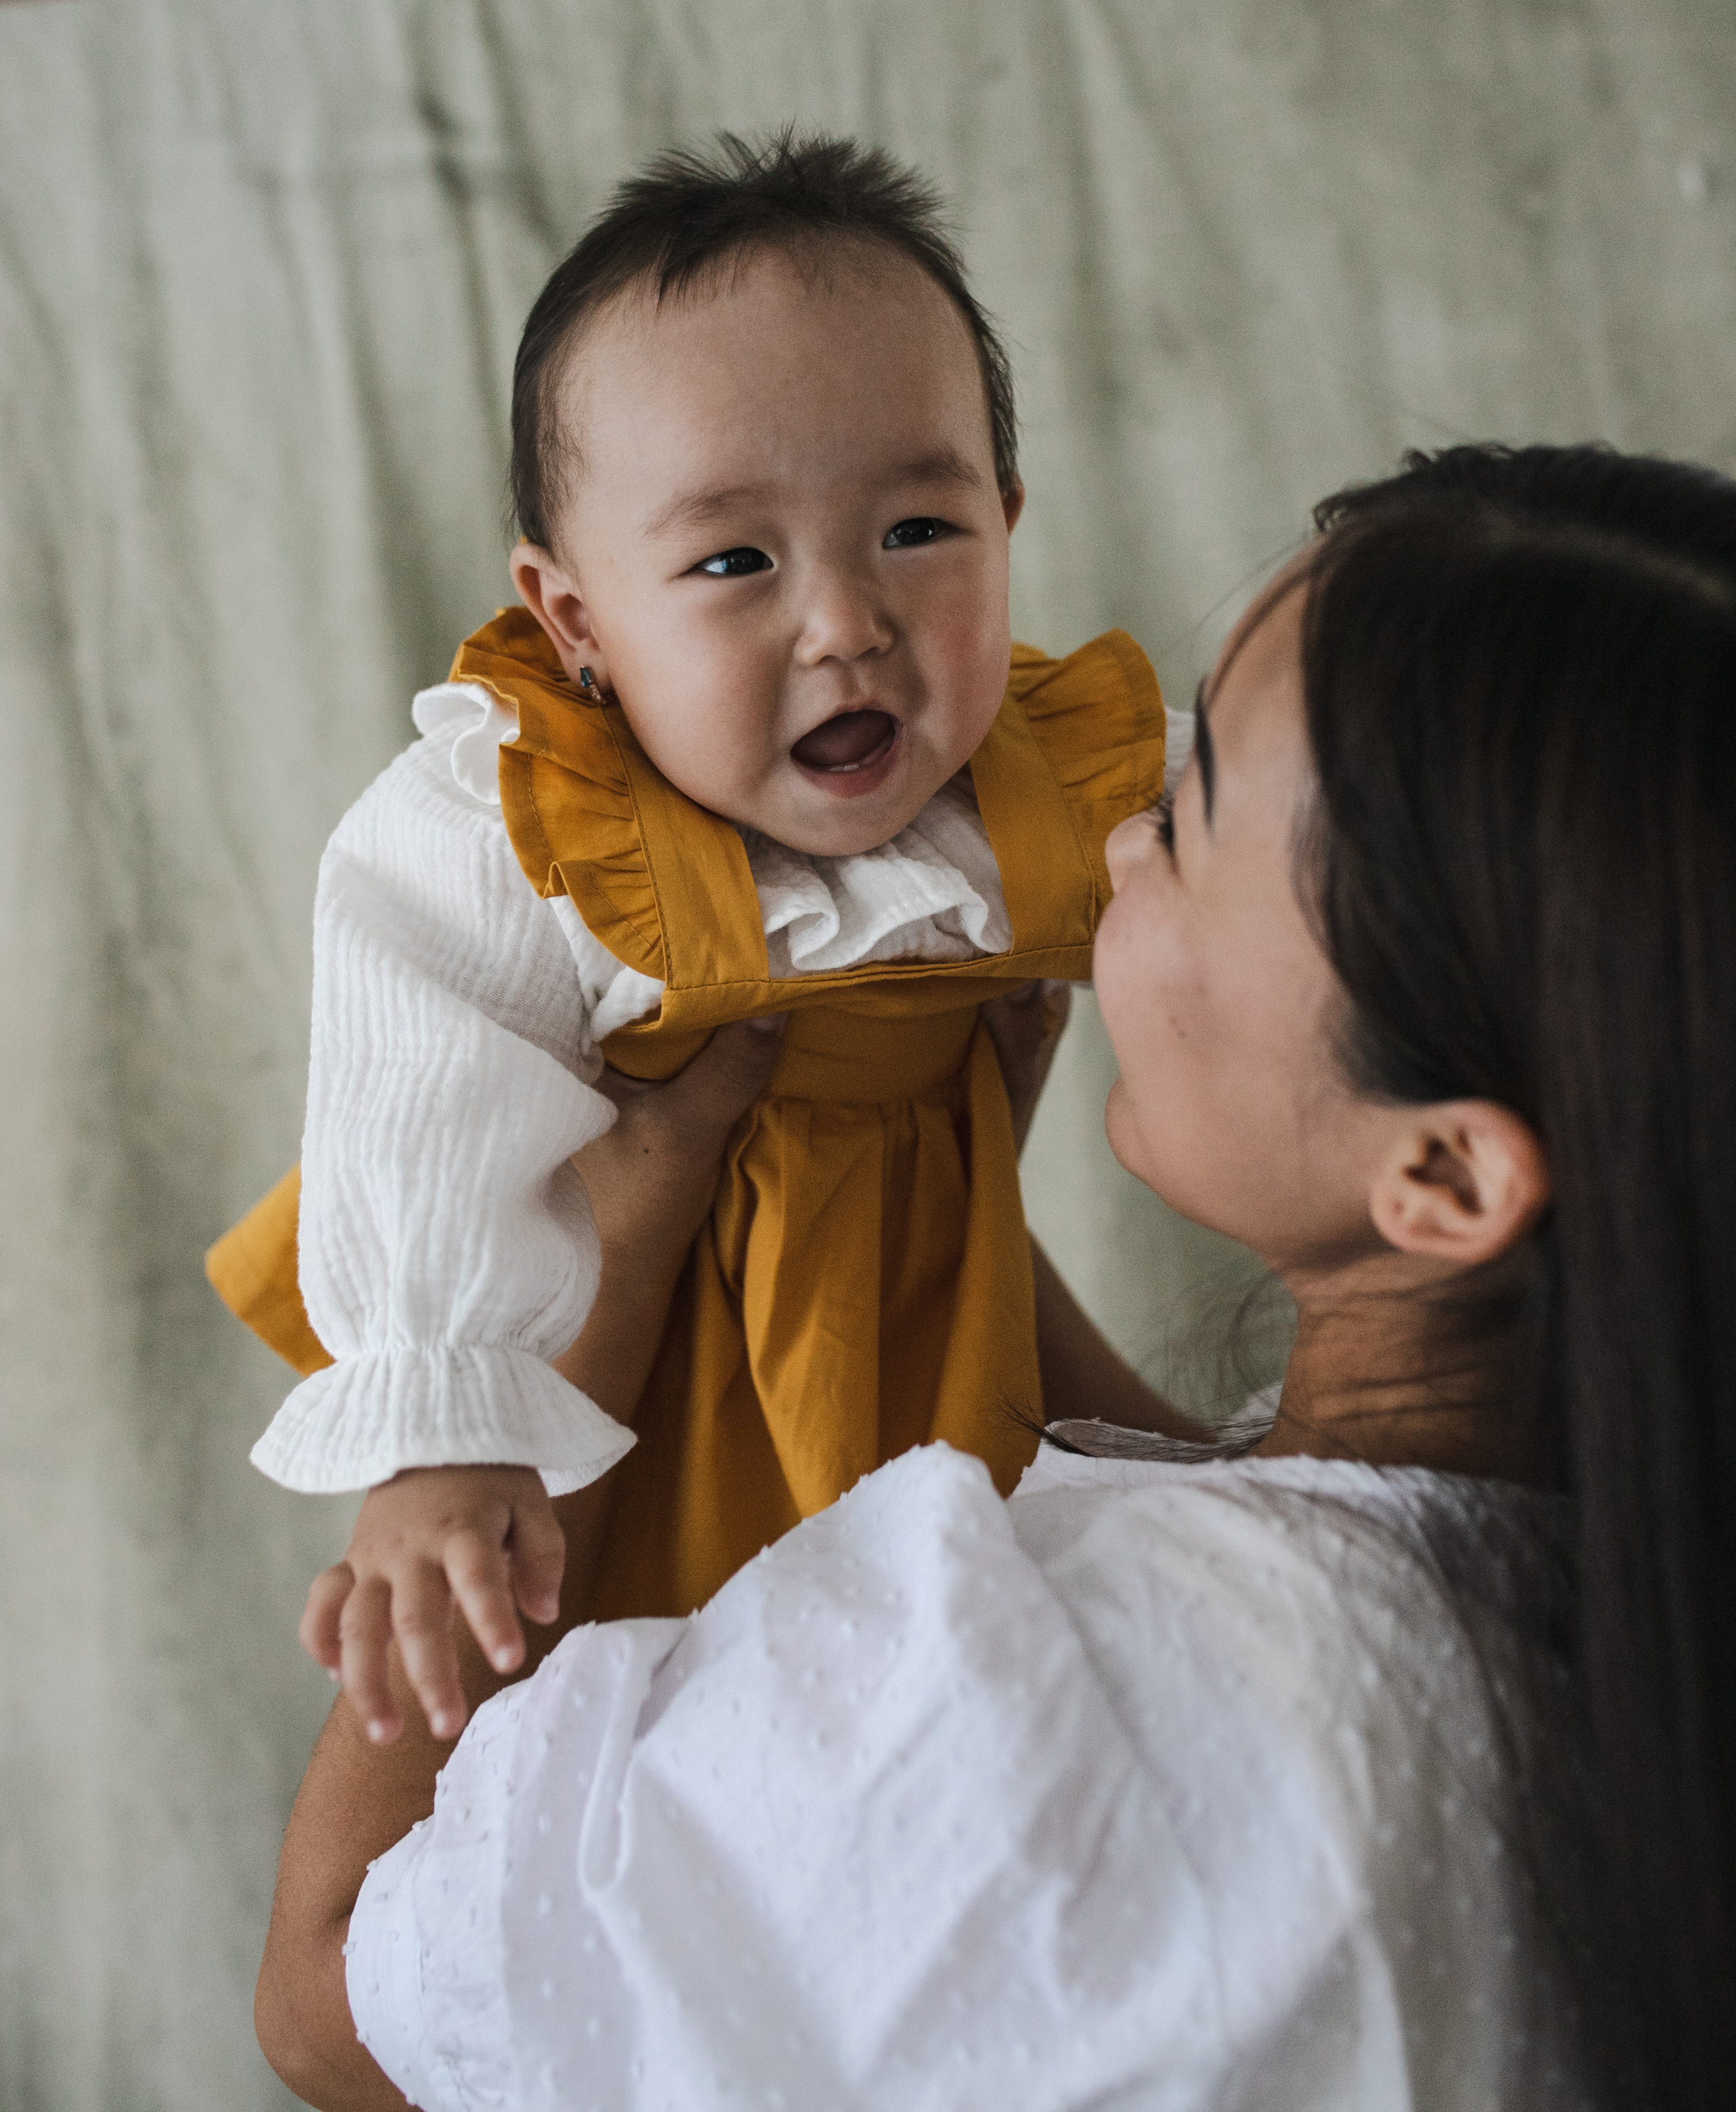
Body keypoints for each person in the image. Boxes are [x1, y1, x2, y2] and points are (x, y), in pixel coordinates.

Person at [256, 443, 1735, 2111]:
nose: (1107, 848)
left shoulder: (999, 1722)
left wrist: (615, 1254)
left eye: (1187, 820)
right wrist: (927, 1185)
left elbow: (339, 1993)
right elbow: (1244, 1507)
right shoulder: (1616, 1602)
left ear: (1444, 1173)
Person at [207, 129, 1184, 1740]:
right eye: (734, 561)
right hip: (626, 1379)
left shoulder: (1042, 777)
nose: (845, 622)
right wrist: (443, 1441)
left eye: (918, 532)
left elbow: (1271, 841)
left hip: (926, 1314)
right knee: (633, 1695)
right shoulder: (518, 830)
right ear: (577, 622)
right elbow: (414, 1089)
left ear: (1008, 521)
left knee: (952, 1682)